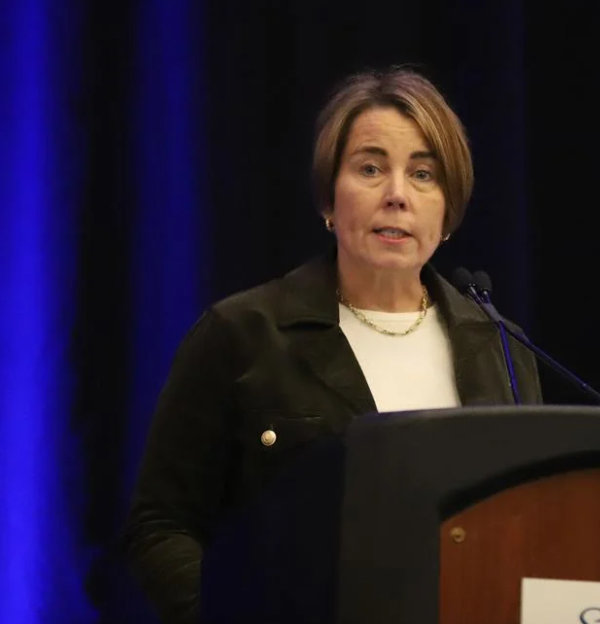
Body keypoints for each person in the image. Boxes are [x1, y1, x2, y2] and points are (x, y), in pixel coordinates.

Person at [121, 66, 542, 624]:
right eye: (370, 168)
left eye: (423, 175)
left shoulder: (500, 348)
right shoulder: (244, 334)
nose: (397, 195)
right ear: (328, 198)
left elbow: (535, 524)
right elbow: (162, 526)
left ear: (447, 212)